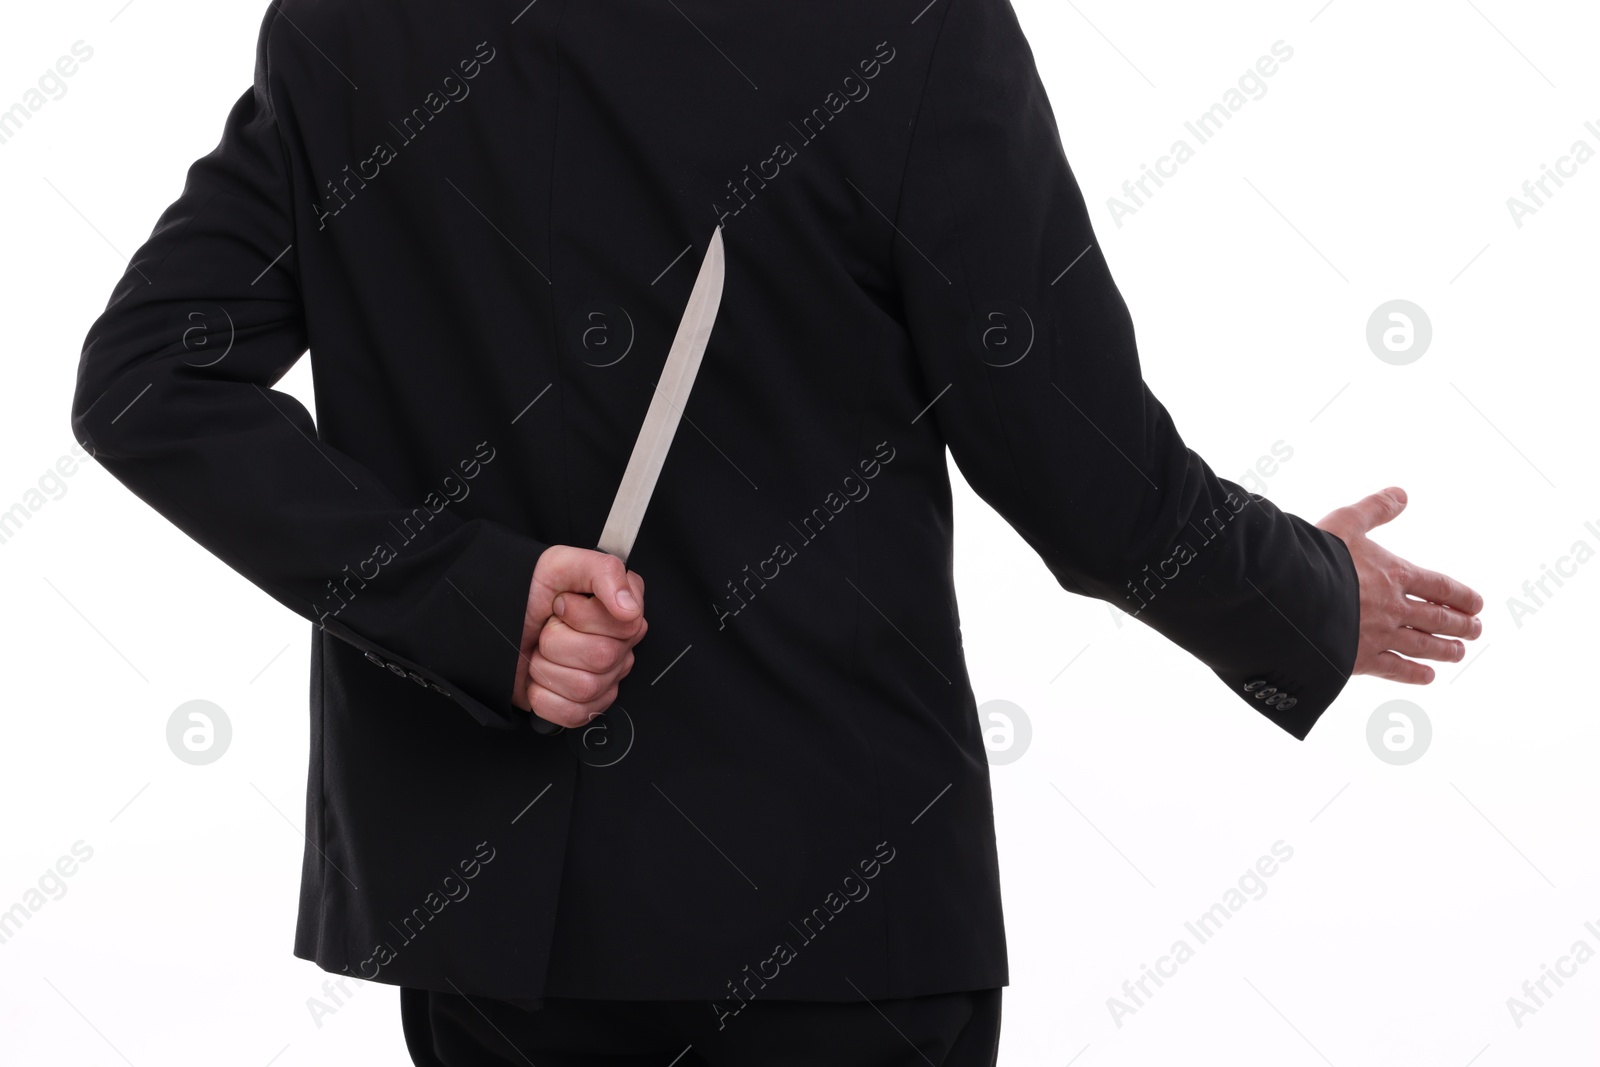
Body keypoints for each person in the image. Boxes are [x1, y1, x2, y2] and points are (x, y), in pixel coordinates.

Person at [69, 1, 1482, 1063]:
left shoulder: (356, 27)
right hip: (840, 919)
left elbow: (149, 381)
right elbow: (1089, 484)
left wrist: (470, 603)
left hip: (499, 936)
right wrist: (1307, 593)